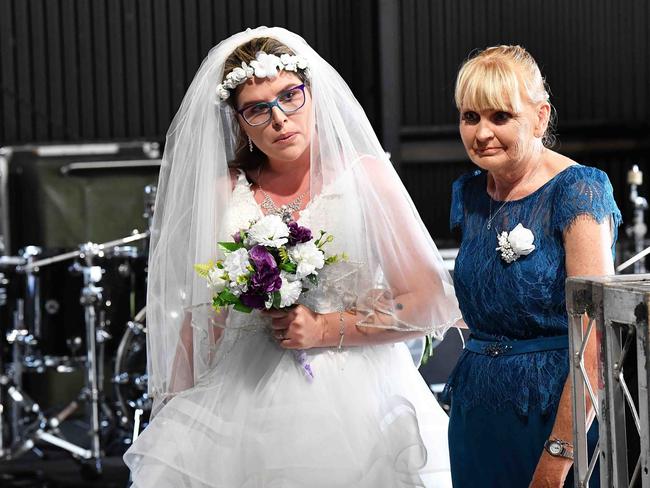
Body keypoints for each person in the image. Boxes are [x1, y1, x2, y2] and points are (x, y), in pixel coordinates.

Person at [123, 27, 461, 487]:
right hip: (240, 395)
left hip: (356, 396)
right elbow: (205, 314)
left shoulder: (367, 178)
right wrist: (175, 408)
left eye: (290, 96)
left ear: (312, 92)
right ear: (241, 122)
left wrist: (325, 328)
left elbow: (427, 300)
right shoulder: (227, 192)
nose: (280, 118)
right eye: (258, 109)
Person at [441, 45, 621, 487]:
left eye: (500, 117)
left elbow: (596, 336)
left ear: (540, 118)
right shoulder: (467, 193)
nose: (481, 133)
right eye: (470, 117)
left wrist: (560, 455)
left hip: (557, 418)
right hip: (476, 415)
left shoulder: (579, 190)